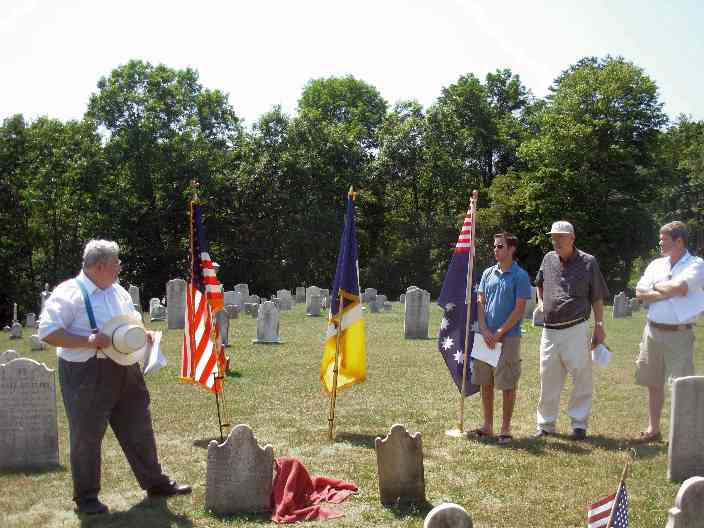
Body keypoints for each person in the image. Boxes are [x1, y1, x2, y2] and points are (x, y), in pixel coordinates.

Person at [38, 240, 191, 515]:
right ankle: (86, 498)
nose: (120, 266)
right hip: (87, 372)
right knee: (87, 435)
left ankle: (155, 482)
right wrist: (88, 339)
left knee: (139, 426)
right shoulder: (69, 293)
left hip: (126, 368)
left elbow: (132, 319)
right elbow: (48, 332)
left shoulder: (117, 290)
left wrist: (142, 334)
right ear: (100, 266)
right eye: (116, 263)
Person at [535, 221, 609, 440]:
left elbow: (596, 296)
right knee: (547, 378)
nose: (556, 241)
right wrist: (541, 301)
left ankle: (578, 424)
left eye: (561, 236)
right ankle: (545, 424)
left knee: (581, 377)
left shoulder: (588, 262)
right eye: (553, 237)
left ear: (572, 238)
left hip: (576, 327)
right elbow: (540, 282)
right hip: (549, 330)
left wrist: (599, 325)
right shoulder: (548, 259)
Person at [634, 221, 704, 442]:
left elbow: (681, 288)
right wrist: (666, 290)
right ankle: (653, 429)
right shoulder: (656, 264)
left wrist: (655, 288)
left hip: (680, 333)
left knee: (681, 385)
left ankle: (682, 436)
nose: (660, 243)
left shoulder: (696, 264)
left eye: (664, 240)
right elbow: (639, 291)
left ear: (679, 241)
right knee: (653, 383)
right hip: (652, 331)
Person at [472, 232, 532, 444]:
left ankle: (505, 428)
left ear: (511, 249)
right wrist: (485, 329)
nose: (495, 250)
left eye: (500, 246)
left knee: (507, 384)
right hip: (485, 336)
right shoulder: (488, 273)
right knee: (485, 382)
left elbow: (519, 309)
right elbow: (480, 301)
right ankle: (487, 425)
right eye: (495, 246)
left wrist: (499, 333)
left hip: (509, 338)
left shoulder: (520, 276)